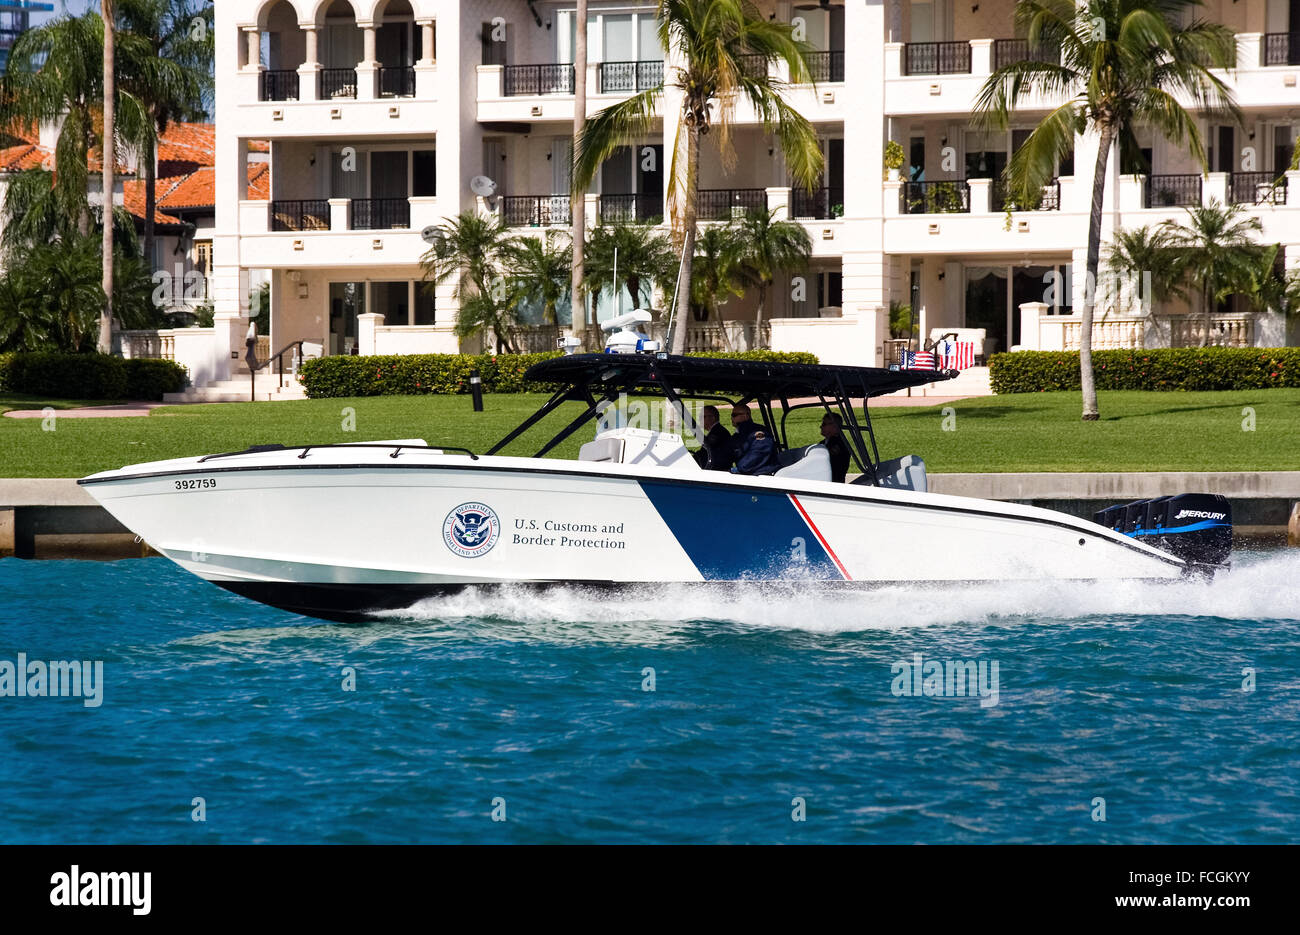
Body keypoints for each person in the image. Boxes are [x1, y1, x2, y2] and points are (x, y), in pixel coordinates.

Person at [729, 404, 780, 475]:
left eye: (734, 415)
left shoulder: (758, 432)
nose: (731, 418)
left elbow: (759, 453)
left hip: (764, 474)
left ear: (746, 416)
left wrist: (740, 468)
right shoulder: (737, 435)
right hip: (749, 473)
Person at [692, 405, 733, 471]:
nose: (700, 419)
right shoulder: (717, 430)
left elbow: (706, 451)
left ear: (713, 418)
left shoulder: (718, 432)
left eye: (703, 417)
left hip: (716, 470)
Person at [820, 411, 851, 483]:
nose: (821, 426)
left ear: (835, 427)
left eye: (824, 424)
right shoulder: (825, 443)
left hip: (832, 484)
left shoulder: (838, 444)